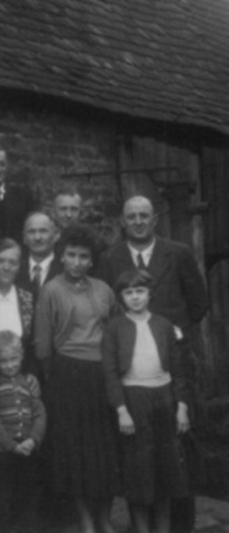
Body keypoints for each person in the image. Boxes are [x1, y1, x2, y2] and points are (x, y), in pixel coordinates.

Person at [96, 194, 208, 533]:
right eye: (132, 216)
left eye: (144, 215)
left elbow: (198, 302)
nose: (138, 221)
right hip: (133, 372)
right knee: (140, 455)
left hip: (171, 362)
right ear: (123, 221)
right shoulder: (111, 258)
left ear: (155, 220)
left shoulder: (179, 253)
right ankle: (142, 525)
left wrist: (173, 332)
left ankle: (181, 524)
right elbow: (108, 306)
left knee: (177, 444)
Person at [34, 225, 119, 533]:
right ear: (62, 256)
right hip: (67, 375)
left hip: (102, 375)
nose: (77, 262)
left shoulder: (104, 289)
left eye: (84, 256)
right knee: (76, 450)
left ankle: (105, 518)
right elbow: (43, 345)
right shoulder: (51, 290)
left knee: (104, 448)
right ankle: (86, 520)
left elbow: (115, 332)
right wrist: (56, 377)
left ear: (92, 260)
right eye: (71, 255)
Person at [102, 269, 190, 533]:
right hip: (134, 400)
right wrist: (121, 410)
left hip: (163, 399)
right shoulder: (115, 327)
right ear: (121, 297)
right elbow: (110, 372)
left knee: (165, 470)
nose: (135, 297)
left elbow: (179, 369)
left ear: (150, 293)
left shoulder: (164, 325)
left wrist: (182, 407)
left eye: (140, 291)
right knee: (138, 471)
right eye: (128, 292)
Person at [0, 330, 46, 533]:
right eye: (3, 361)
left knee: (28, 494)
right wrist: (11, 446)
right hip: (2, 452)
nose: (9, 365)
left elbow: (39, 414)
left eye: (14, 359)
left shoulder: (29, 382)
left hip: (27, 448)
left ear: (21, 357)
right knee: (2, 497)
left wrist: (33, 439)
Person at [0, 239, 35, 372]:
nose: (6, 267)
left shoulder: (27, 298)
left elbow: (32, 344)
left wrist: (30, 374)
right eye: (0, 261)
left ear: (19, 266)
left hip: (19, 375)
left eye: (12, 262)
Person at [17, 211, 63, 301]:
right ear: (24, 238)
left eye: (43, 231)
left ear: (56, 235)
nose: (37, 237)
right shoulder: (15, 269)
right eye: (31, 232)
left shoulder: (65, 269)